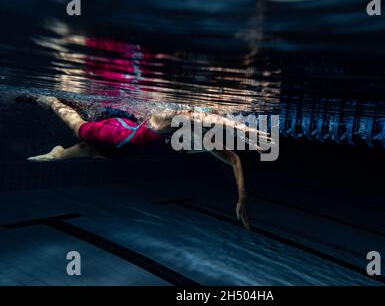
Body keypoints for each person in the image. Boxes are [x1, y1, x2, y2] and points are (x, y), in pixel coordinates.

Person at [25, 96, 269, 230]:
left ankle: (59, 151)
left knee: (95, 149)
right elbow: (200, 115)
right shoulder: (169, 118)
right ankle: (48, 102)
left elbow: (235, 160)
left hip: (126, 141)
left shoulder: (203, 136)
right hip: (118, 135)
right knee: (81, 132)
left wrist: (242, 197)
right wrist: (246, 130)